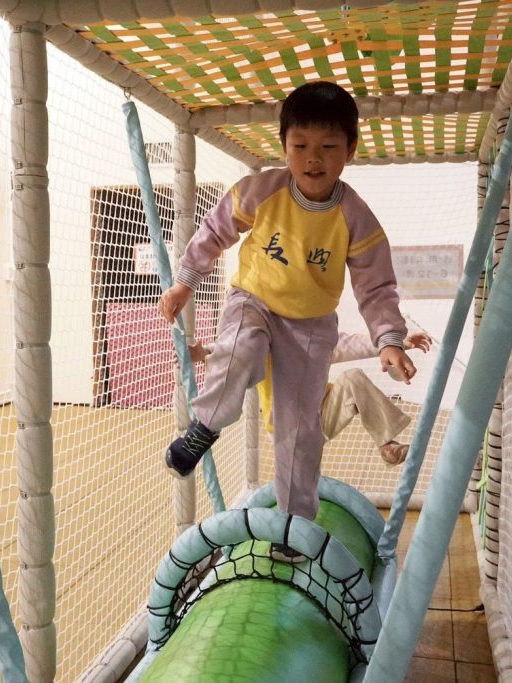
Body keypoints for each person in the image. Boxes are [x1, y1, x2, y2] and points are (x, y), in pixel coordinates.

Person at [159, 81, 415, 562]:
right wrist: (185, 282)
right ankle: (205, 426)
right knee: (240, 348)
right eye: (300, 146)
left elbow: (376, 284)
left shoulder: (355, 217)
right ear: (284, 146)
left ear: (350, 150)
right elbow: (215, 230)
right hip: (253, 300)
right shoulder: (262, 191)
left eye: (328, 147)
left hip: (311, 326)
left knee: (300, 429)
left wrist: (389, 339)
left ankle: (294, 528)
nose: (313, 158)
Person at [188, 329, 432, 466]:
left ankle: (386, 444)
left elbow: (353, 344)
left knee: (353, 377)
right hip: (289, 429)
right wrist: (204, 353)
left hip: (323, 413)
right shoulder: (261, 347)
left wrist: (395, 343)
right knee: (302, 487)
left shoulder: (315, 338)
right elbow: (232, 352)